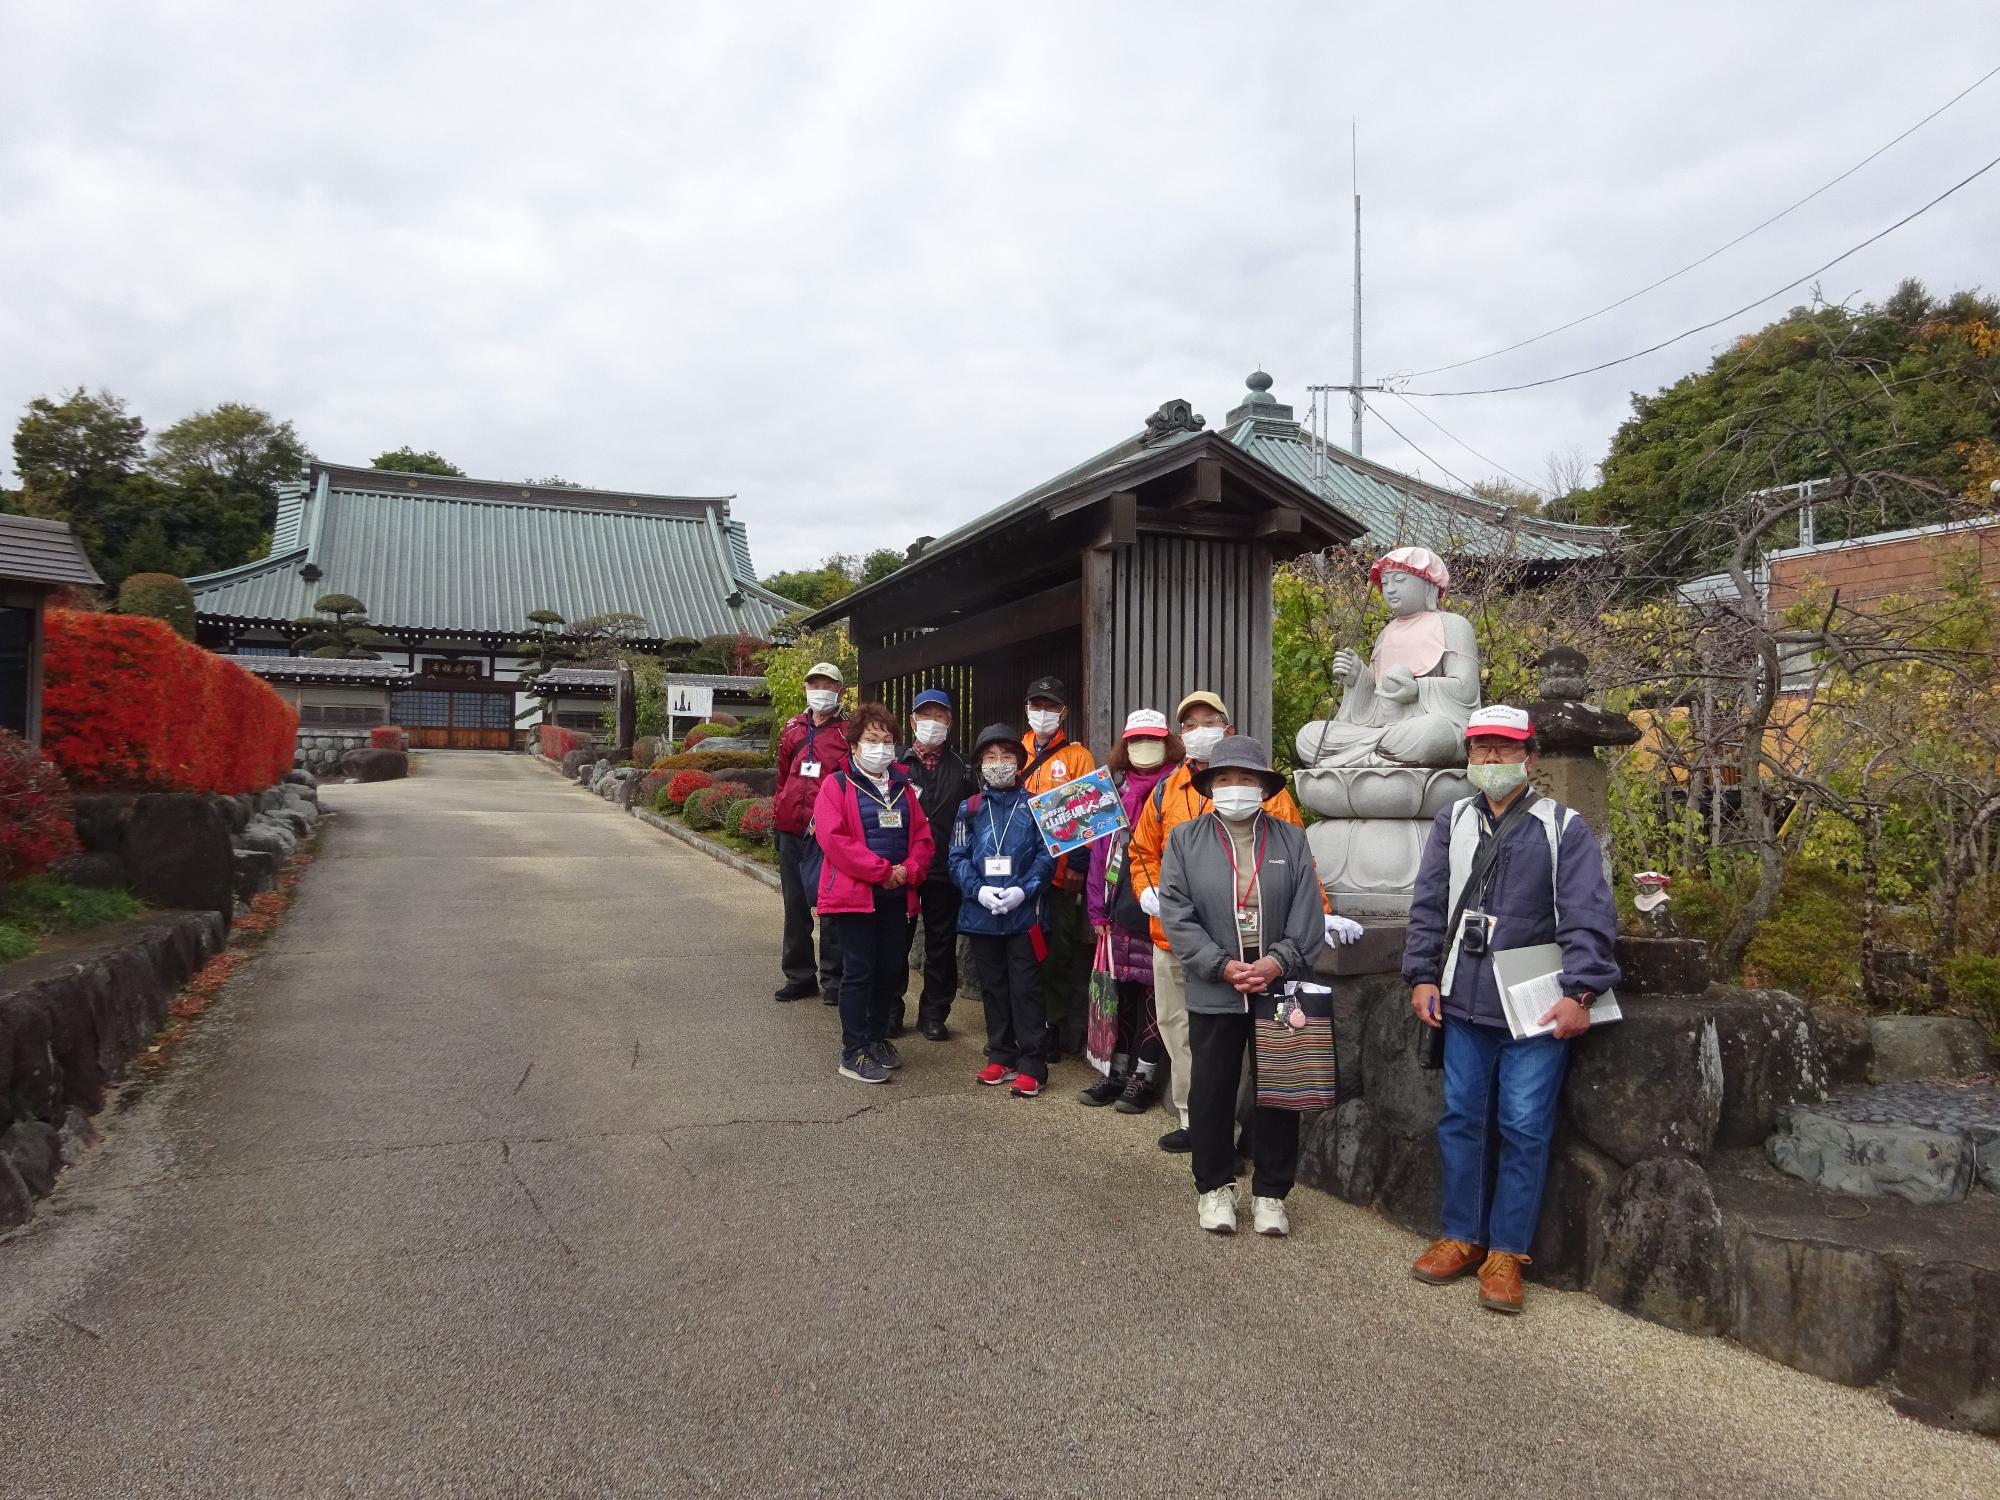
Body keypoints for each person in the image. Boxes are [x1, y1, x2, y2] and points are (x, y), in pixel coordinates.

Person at [1403, 705, 1621, 1314]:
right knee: (1461, 1118)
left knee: (1524, 1128)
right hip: (1462, 999)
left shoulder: (1561, 827)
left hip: (1532, 1007)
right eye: (1480, 749)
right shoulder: (1452, 822)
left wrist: (1581, 992)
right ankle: (1462, 1235)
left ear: (1530, 756)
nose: (1491, 759)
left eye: (1504, 748)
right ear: (1469, 756)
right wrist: (1421, 976)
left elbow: (1587, 913)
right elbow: (1428, 905)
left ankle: (1507, 1251)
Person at [1126, 691, 1320, 1153]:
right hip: (1177, 940)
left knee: (1247, 1046)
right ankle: (1199, 1124)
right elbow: (1141, 852)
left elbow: (1300, 869)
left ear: (1227, 728)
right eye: (1189, 725)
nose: (1198, 730)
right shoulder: (1165, 790)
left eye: (1207, 720)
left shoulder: (1269, 797)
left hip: (1255, 950)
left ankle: (1237, 1131)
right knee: (1181, 1033)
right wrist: (1148, 892)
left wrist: (1321, 918)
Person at [1156, 737, 1327, 1236]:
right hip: (1216, 985)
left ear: (1263, 787)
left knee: (1279, 1090)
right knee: (1211, 1089)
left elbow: (1308, 912)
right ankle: (1214, 1187)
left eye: (1246, 779)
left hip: (1281, 988)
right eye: (1225, 779)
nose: (1235, 788)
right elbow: (1177, 913)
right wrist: (1221, 965)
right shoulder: (1185, 839)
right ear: (1210, 786)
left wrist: (1278, 962)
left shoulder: (1291, 839)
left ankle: (1272, 1193)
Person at [813, 703, 934, 1085]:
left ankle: (877, 1037)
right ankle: (853, 1050)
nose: (880, 747)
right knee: (859, 972)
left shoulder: (903, 788)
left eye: (886, 740)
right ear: (854, 746)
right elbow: (835, 840)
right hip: (856, 896)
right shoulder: (836, 785)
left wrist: (907, 872)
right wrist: (882, 872)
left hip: (897, 896)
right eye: (871, 740)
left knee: (889, 971)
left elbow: (923, 839)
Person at [1081, 709, 1184, 1112]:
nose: (1144, 748)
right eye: (1136, 740)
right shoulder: (1112, 791)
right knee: (1119, 994)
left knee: (1156, 997)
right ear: (1124, 746)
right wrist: (1096, 911)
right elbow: (1097, 855)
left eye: (1153, 739)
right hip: (1117, 910)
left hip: (1160, 910)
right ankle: (1115, 1071)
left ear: (1168, 743)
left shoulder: (1179, 789)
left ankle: (1144, 1077)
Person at [950, 724, 1056, 1099]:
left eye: (1007, 757)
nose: (999, 764)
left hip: (1024, 915)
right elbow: (957, 857)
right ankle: (1001, 1054)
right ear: (980, 764)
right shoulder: (969, 808)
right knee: (993, 988)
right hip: (982, 916)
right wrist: (978, 892)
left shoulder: (1038, 806)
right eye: (991, 757)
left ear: (1019, 763)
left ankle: (1033, 1064)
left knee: (1025, 988)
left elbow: (1047, 857)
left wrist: (1022, 891)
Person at [1019, 675, 1097, 1062]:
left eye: (1050, 706)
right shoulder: (1016, 751)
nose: (1043, 713)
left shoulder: (1078, 756)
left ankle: (1053, 1026)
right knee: (1022, 948)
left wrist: (1079, 864)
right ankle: (1025, 1024)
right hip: (1021, 871)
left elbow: (1088, 812)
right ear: (1027, 709)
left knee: (1057, 951)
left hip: (1061, 872)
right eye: (1037, 705)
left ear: (1063, 711)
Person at [773, 662, 852, 1004]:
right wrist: (780, 813)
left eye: (828, 684)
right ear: (805, 688)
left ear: (840, 691)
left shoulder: (847, 734)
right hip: (790, 829)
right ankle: (799, 975)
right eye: (814, 683)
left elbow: (852, 783)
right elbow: (782, 775)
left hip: (827, 834)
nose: (820, 689)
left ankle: (833, 979)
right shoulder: (792, 727)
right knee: (794, 906)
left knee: (829, 906)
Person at [899, 688, 972, 1042]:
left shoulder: (962, 767)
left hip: (945, 869)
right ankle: (889, 1011)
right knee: (897, 941)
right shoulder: (897, 764)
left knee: (941, 944)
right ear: (913, 721)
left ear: (950, 722)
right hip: (903, 870)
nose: (932, 723)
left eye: (939, 716)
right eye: (925, 716)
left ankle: (934, 1014)